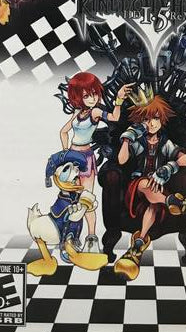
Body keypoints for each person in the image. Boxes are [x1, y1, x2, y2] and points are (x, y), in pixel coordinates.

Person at [114, 89, 186, 280]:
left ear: (162, 119)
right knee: (145, 183)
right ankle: (178, 203)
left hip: (157, 189)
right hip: (138, 187)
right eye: (147, 119)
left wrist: (167, 168)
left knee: (154, 207)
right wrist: (127, 139)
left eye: (156, 118)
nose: (152, 123)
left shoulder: (165, 142)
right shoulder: (137, 142)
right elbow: (122, 160)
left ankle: (139, 243)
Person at [57, 72, 133, 257]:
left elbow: (114, 117)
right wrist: (65, 153)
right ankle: (71, 238)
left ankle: (91, 238)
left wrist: (118, 100)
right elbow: (63, 132)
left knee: (86, 200)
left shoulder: (95, 112)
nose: (92, 98)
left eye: (94, 94)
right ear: (78, 97)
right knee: (71, 200)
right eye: (86, 95)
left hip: (85, 159)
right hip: (72, 158)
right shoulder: (78, 113)